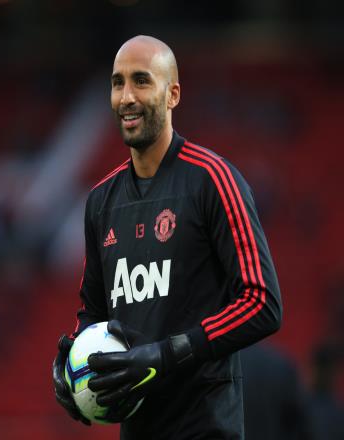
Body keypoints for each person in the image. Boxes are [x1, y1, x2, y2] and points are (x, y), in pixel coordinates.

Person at [53, 35, 282, 440]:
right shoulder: (101, 202)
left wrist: (167, 354)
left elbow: (262, 303)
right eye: (118, 83)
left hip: (205, 428)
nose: (126, 97)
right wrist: (73, 362)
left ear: (173, 94)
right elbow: (94, 311)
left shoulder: (213, 180)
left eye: (141, 81)